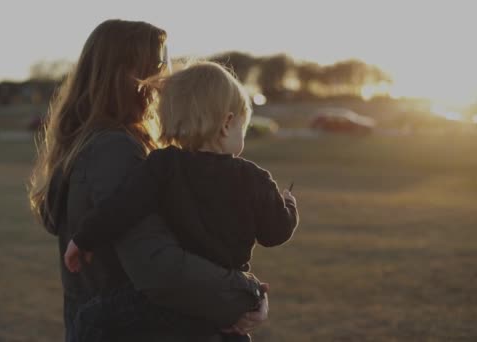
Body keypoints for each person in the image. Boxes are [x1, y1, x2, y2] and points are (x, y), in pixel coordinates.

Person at [28, 19, 269, 342]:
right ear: (130, 76)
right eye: (160, 65)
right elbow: (157, 266)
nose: (168, 78)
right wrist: (246, 293)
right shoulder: (115, 151)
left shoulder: (89, 146)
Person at [64, 62, 300, 341]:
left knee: (90, 320)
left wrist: (85, 239)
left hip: (167, 306)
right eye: (243, 128)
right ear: (227, 123)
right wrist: (288, 206)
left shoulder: (162, 165)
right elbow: (275, 233)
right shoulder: (254, 179)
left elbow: (121, 207)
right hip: (219, 302)